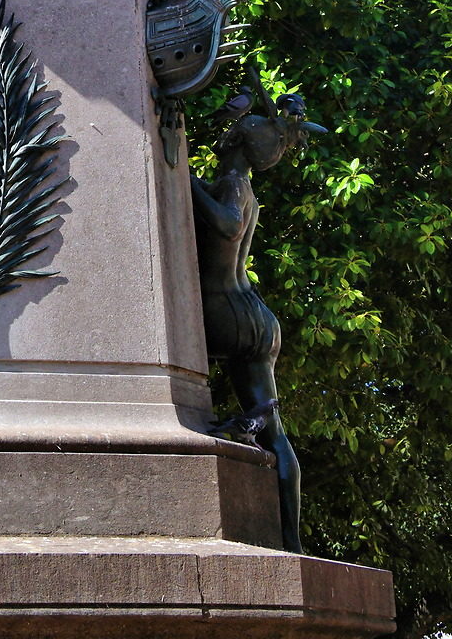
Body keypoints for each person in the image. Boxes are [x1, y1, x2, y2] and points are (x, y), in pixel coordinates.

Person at [190, 68, 327, 553]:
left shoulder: (231, 183)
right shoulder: (239, 182)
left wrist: (186, 183)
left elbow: (227, 225)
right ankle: (290, 539)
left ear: (238, 143)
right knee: (274, 430)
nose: (224, 136)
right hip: (249, 313)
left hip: (228, 315)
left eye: (229, 134)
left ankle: (291, 540)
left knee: (271, 426)